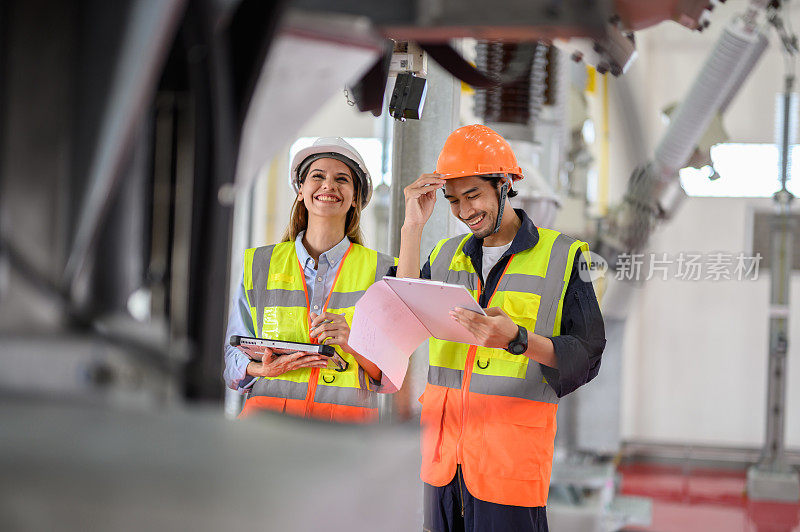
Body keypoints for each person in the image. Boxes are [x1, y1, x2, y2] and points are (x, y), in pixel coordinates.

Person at [395, 125, 606, 531]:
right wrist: (412, 228)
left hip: (508, 462)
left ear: (505, 184)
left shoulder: (564, 255)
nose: (463, 211)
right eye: (453, 200)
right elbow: (404, 312)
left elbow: (588, 355)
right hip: (441, 461)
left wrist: (518, 341)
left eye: (472, 195)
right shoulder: (444, 254)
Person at [224, 137, 396, 423]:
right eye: (318, 176)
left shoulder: (384, 271)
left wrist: (353, 342)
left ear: (355, 198)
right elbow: (229, 355)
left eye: (342, 179)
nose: (329, 185)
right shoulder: (259, 264)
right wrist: (261, 370)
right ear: (301, 191)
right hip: (265, 434)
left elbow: (391, 377)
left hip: (344, 440)